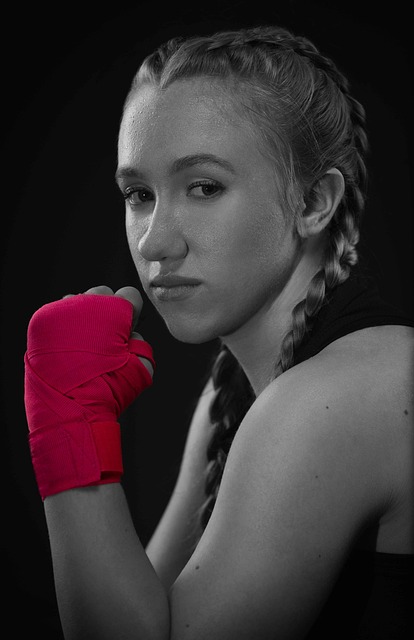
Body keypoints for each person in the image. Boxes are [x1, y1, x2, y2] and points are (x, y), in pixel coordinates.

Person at [23, 24, 413, 639]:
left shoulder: (335, 397)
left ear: (315, 202)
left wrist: (68, 431)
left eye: (204, 187)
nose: (155, 242)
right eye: (138, 194)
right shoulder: (228, 395)